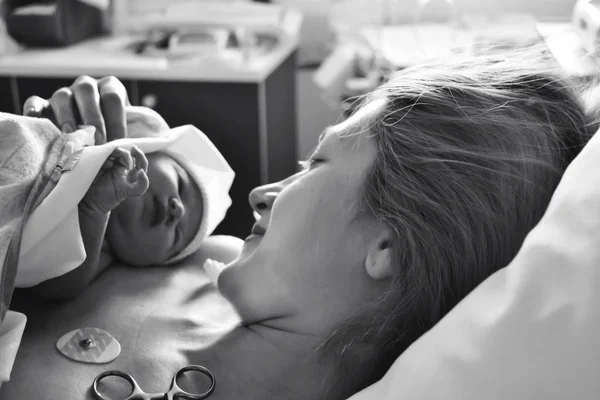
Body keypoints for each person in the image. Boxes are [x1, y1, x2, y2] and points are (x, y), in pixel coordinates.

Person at [16, 48, 599, 399]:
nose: (261, 192)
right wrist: (63, 175)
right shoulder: (200, 253)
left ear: (387, 242)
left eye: (315, 163)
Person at [20, 106, 233, 301]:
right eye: (181, 185)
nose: (179, 210)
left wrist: (92, 211)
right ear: (149, 149)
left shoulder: (99, 255)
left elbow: (53, 289)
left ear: (150, 264)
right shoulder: (88, 142)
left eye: (178, 235)